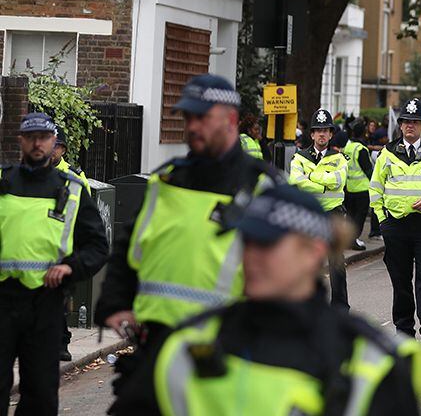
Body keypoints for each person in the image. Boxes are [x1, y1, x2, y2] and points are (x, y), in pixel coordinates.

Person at [108, 184, 421, 416]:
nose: (251, 256)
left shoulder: (373, 361)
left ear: (313, 252)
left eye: (268, 244)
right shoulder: (188, 345)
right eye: (247, 242)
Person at [95, 75, 282, 391]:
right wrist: (114, 302)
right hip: (154, 341)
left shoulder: (262, 187)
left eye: (203, 117)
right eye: (188, 117)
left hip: (223, 347)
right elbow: (131, 246)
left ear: (231, 120)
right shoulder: (165, 181)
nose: (193, 126)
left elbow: (286, 277)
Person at [0, 113, 108, 416]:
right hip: (3, 299)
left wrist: (71, 267)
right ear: (21, 140)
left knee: (41, 392)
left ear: (54, 142)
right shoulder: (4, 182)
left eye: (44, 138)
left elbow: (97, 245)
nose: (37, 144)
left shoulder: (72, 188)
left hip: (45, 303)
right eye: (31, 137)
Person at [370, 98, 421, 347]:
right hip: (396, 226)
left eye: (415, 122)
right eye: (406, 122)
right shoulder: (387, 154)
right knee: (400, 280)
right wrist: (383, 221)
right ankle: (404, 329)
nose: (410, 126)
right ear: (400, 126)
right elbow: (375, 189)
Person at [289, 108, 350, 309]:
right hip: (309, 212)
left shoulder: (339, 158)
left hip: (333, 212)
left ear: (331, 134)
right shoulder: (300, 157)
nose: (322, 134)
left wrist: (312, 177)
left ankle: (340, 307)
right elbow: (296, 181)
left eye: (326, 130)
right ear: (312, 134)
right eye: (318, 130)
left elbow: (339, 180)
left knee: (336, 262)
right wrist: (324, 183)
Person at [49, 127, 91, 363]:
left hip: (66, 248)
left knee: (61, 300)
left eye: (55, 146)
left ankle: (62, 342)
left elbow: (85, 213)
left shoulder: (74, 177)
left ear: (62, 149)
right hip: (41, 247)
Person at [344, 119, 373, 251]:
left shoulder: (347, 147)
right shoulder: (361, 149)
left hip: (349, 188)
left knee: (350, 215)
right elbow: (368, 170)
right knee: (360, 216)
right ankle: (354, 239)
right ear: (363, 133)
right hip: (362, 188)